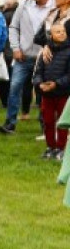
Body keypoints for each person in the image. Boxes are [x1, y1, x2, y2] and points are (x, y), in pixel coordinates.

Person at [0, 0, 55, 134]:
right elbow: (13, 27)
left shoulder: (55, 8)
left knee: (44, 92)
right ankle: (10, 123)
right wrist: (15, 48)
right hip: (23, 57)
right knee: (15, 87)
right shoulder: (24, 6)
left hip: (45, 57)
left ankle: (46, 126)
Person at [33, 21, 70, 160]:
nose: (62, 34)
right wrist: (39, 84)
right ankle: (50, 147)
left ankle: (61, 148)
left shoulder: (68, 51)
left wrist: (56, 84)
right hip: (47, 93)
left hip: (63, 93)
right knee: (48, 121)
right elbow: (38, 72)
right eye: (58, 32)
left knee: (62, 121)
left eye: (63, 31)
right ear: (51, 35)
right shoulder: (45, 52)